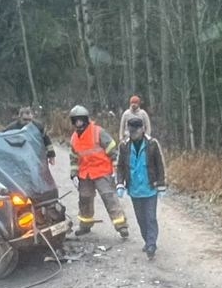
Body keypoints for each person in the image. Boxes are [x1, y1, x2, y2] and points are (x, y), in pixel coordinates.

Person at [67, 105, 127, 238]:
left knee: (109, 197)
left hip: (102, 171)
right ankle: (85, 225)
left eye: (80, 120)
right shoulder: (74, 138)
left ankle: (121, 225)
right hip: (85, 173)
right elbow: (73, 158)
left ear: (85, 119)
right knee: (85, 199)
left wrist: (116, 168)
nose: (78, 123)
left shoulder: (98, 132)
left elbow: (112, 149)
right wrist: (74, 174)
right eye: (75, 120)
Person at [115, 115, 166, 260]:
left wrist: (161, 185)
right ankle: (147, 240)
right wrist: (120, 183)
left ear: (142, 129)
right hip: (135, 190)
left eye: (136, 130)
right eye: (131, 130)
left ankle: (151, 244)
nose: (134, 133)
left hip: (150, 189)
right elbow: (120, 166)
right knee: (141, 219)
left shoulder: (152, 144)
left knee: (150, 218)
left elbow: (160, 165)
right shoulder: (124, 146)